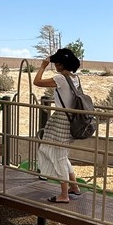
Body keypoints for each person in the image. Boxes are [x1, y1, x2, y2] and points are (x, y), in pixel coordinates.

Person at [33, 48, 84, 203]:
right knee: (62, 154)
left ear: (62, 64)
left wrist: (42, 66)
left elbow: (37, 82)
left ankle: (64, 195)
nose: (55, 65)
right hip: (70, 119)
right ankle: (74, 186)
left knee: (58, 156)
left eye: (57, 63)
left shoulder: (61, 78)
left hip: (62, 120)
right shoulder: (75, 78)